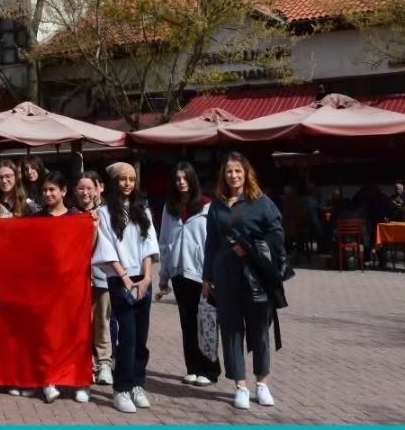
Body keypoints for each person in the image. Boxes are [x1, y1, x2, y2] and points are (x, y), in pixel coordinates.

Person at [202, 152, 284, 411]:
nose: (234, 176)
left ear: (246, 173)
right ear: (223, 176)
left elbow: (277, 236)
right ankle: (240, 385)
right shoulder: (216, 205)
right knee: (231, 330)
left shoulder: (261, 202)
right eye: (229, 172)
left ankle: (262, 383)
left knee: (259, 331)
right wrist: (207, 277)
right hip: (225, 274)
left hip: (255, 276)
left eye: (238, 171)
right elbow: (211, 244)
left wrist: (249, 248)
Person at [93, 162, 159, 414]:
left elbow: (149, 244)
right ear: (114, 182)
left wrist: (147, 278)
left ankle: (138, 384)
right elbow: (107, 249)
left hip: (143, 278)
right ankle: (121, 388)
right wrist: (126, 279)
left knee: (142, 335)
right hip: (121, 279)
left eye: (132, 179)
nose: (128, 184)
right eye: (123, 179)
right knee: (128, 335)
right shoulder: (105, 213)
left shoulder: (143, 209)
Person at [156, 161, 220, 386]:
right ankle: (192, 367)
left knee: (207, 322)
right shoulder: (169, 208)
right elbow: (164, 241)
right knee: (188, 323)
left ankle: (210, 369)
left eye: (184, 178)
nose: (181, 182)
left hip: (202, 274)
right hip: (178, 273)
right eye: (177, 179)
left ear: (192, 180)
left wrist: (211, 275)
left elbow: (214, 243)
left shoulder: (207, 207)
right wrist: (163, 275)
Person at [36, 171, 89, 404]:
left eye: (52, 190)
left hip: (73, 287)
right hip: (44, 288)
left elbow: (90, 249)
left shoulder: (78, 218)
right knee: (48, 335)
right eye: (45, 190)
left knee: (76, 334)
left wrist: (92, 226)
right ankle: (49, 380)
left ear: (64, 192)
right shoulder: (36, 219)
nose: (48, 194)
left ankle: (79, 381)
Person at [74, 170, 112, 391]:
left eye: (89, 188)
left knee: (102, 321)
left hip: (102, 276)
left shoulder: (107, 214)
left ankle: (104, 363)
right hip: (76, 278)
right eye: (81, 188)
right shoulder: (70, 214)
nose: (85, 192)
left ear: (98, 189)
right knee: (81, 323)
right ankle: (84, 362)